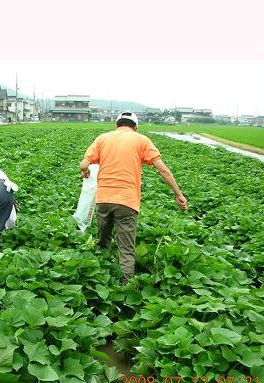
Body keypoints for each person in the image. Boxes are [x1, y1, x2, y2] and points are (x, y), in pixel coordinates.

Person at [79, 112, 188, 284]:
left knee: (102, 242)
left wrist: (86, 172)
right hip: (127, 202)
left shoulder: (103, 139)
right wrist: (178, 194)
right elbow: (163, 170)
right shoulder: (141, 140)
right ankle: (125, 285)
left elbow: (84, 164)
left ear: (117, 125)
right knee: (126, 248)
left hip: (103, 200)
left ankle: (98, 279)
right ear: (135, 127)